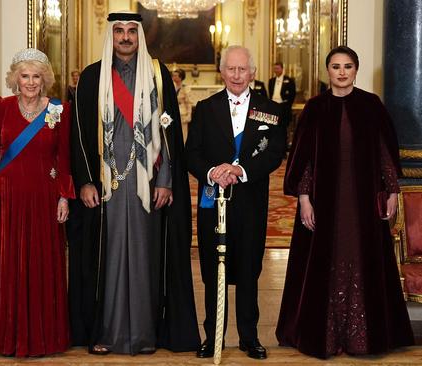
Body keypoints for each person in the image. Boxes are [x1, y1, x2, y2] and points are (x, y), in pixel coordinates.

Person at [69, 12, 200, 355]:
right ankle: (107, 333)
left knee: (145, 258)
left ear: (139, 35)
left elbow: (169, 128)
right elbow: (80, 135)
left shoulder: (157, 75)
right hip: (107, 185)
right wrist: (84, 181)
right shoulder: (92, 77)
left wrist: (168, 180)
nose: (125, 37)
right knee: (107, 261)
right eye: (119, 31)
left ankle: (144, 335)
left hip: (148, 184)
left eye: (131, 31)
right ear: (110, 35)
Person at [276, 46, 414, 358]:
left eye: (347, 66)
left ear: (356, 69)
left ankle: (363, 340)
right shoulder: (314, 108)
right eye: (336, 66)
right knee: (325, 261)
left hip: (363, 204)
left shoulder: (371, 106)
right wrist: (304, 200)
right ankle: (324, 337)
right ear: (328, 71)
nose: (341, 72)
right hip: (324, 204)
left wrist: (392, 192)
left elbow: (385, 153)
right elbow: (304, 162)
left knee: (363, 259)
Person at [186, 45, 286, 360]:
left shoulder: (268, 109)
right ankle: (212, 337)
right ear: (222, 71)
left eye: (243, 69)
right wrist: (212, 171)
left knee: (248, 270)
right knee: (213, 272)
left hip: (251, 202)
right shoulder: (205, 107)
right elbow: (192, 154)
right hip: (212, 202)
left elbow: (274, 152)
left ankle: (249, 337)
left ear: (252, 73)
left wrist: (241, 171)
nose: (237, 75)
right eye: (231, 69)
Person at [0, 48, 74, 357]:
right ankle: (8, 338)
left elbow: (64, 157)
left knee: (44, 264)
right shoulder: (1, 107)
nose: (30, 82)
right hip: (9, 197)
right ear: (15, 79)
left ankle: (45, 339)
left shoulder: (59, 109)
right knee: (10, 265)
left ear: (45, 80)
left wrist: (63, 195)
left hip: (44, 197)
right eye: (24, 76)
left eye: (36, 76)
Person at [268, 61, 296, 127]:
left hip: (284, 106)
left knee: (283, 125)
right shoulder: (271, 81)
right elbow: (270, 93)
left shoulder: (289, 80)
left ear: (282, 69)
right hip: (273, 106)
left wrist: (288, 105)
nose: (276, 70)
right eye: (275, 69)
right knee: (274, 125)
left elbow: (292, 94)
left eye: (278, 68)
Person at [172, 68, 193, 143]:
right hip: (173, 113)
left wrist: (189, 115)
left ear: (180, 77)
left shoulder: (185, 88)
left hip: (182, 113)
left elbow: (189, 102)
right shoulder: (172, 87)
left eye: (175, 76)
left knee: (183, 134)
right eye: (173, 75)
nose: (173, 77)